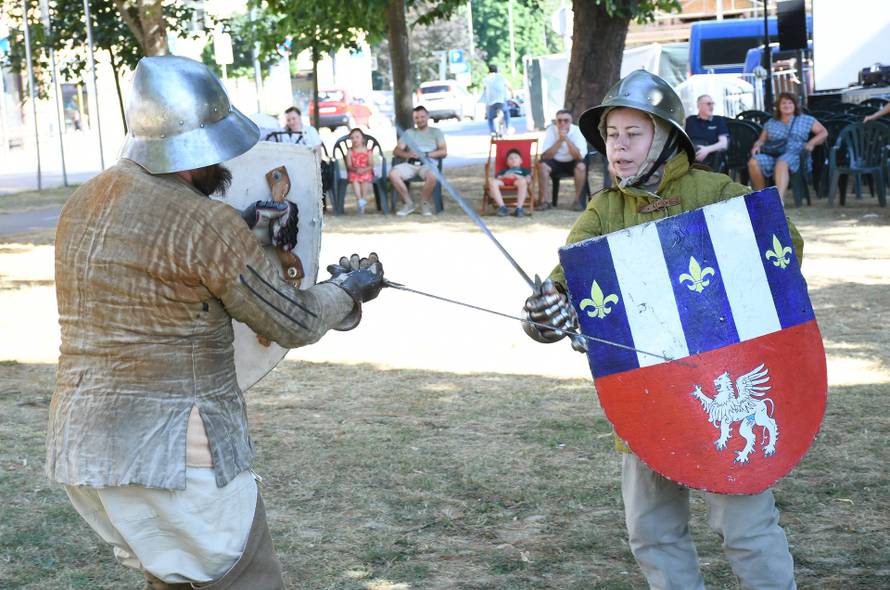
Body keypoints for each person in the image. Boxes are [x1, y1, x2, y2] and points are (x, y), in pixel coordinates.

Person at [46, 55, 385, 590]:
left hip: (86, 451)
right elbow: (293, 321)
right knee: (245, 581)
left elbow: (156, 269)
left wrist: (241, 240)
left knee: (170, 581)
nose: (225, 162)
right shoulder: (206, 223)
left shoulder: (84, 202)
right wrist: (348, 290)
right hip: (177, 456)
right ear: (193, 151)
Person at [522, 70, 803, 590]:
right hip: (648, 394)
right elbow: (568, 282)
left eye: (634, 134)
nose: (619, 147)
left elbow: (781, 250)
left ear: (666, 137)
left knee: (746, 527)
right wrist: (547, 311)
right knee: (652, 530)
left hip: (723, 380)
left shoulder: (714, 192)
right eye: (612, 135)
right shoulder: (605, 210)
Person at [748, 92, 828, 201]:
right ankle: (763, 197)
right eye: (783, 103)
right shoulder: (771, 122)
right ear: (778, 106)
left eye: (790, 103)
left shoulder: (806, 119)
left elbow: (823, 132)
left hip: (796, 154)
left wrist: (811, 143)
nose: (787, 105)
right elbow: (761, 140)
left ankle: (778, 201)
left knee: (782, 162)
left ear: (795, 105)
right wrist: (757, 146)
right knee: (753, 162)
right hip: (773, 154)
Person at [389, 106, 448, 217]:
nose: (420, 120)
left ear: (428, 116)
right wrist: (408, 154)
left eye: (422, 117)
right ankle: (409, 203)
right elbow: (396, 151)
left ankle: (424, 203)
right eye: (417, 118)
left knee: (433, 175)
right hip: (410, 163)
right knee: (393, 174)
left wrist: (426, 154)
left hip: (428, 163)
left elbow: (443, 151)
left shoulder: (436, 132)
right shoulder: (409, 132)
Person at [538, 109, 588, 211]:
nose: (562, 123)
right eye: (559, 120)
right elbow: (545, 156)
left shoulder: (577, 131)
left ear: (571, 121)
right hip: (555, 161)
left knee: (581, 167)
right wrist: (560, 140)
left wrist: (566, 139)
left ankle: (577, 201)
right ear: (556, 121)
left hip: (572, 161)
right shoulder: (551, 130)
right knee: (542, 166)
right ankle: (545, 201)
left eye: (566, 120)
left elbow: (578, 156)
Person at [685, 94, 729, 167]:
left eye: (712, 104)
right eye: (708, 104)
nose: (711, 106)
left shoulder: (718, 120)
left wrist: (707, 149)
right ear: (699, 106)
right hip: (690, 155)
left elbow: (724, 144)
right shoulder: (690, 120)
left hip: (710, 157)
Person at [488, 148, 532, 217]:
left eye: (516, 158)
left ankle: (519, 208)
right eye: (510, 158)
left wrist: (518, 176)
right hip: (504, 181)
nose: (513, 159)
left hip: (518, 182)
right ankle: (502, 207)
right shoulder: (504, 171)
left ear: (521, 161)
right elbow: (498, 178)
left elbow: (528, 180)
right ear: (507, 162)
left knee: (523, 181)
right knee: (492, 182)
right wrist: (505, 176)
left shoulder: (524, 170)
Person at [346, 127, 375, 214]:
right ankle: (360, 200)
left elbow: (371, 165)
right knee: (354, 180)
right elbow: (349, 165)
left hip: (366, 171)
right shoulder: (350, 151)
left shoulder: (368, 151)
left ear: (363, 139)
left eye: (357, 137)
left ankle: (363, 199)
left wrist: (364, 170)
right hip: (354, 171)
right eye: (352, 138)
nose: (355, 140)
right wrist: (356, 170)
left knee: (365, 180)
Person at [482, 64, 513, 136]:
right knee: (506, 112)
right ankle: (508, 127)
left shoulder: (486, 79)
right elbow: (510, 87)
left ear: (489, 70)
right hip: (501, 100)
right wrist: (512, 95)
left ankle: (492, 131)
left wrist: (485, 101)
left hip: (491, 102)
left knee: (490, 118)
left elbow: (484, 90)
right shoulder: (501, 77)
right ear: (497, 70)